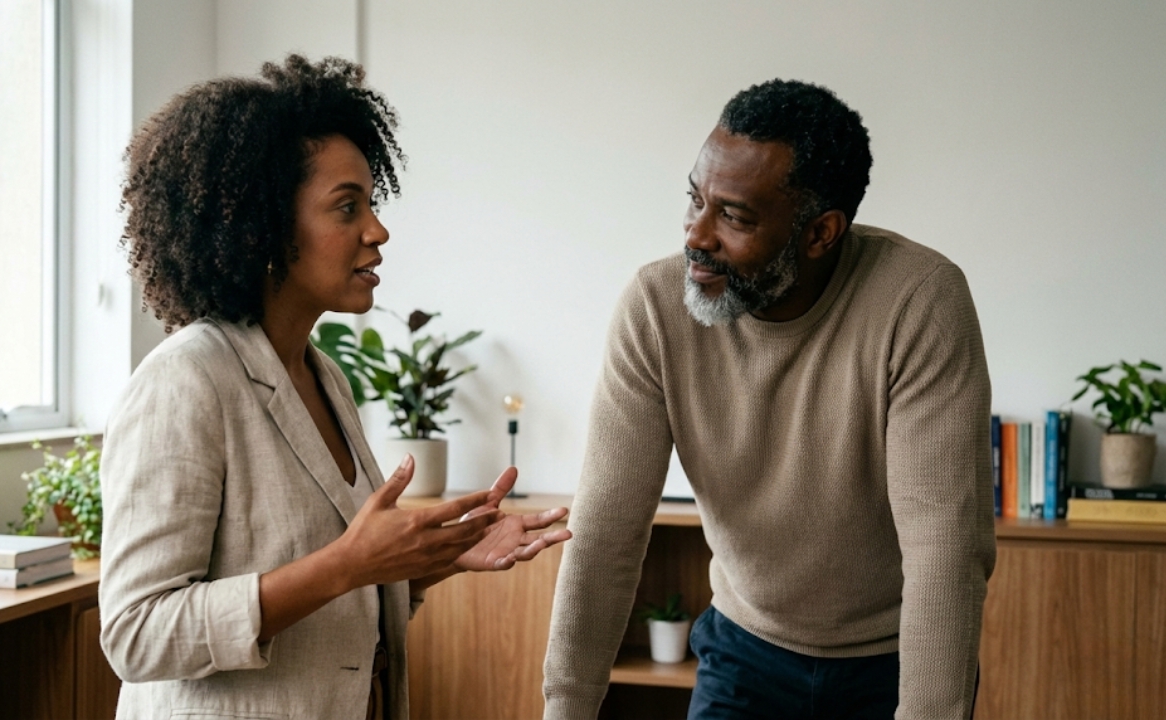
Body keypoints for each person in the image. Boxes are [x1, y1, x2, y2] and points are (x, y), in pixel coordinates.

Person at [99, 55, 571, 720]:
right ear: (264, 227)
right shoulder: (186, 381)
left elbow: (346, 588)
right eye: (346, 208)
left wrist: (434, 555)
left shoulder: (325, 377)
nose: (377, 232)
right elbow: (137, 634)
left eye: (371, 206)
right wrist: (348, 564)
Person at [543, 79, 994, 720]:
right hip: (745, 652)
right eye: (695, 200)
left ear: (820, 233)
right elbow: (604, 535)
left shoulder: (919, 301)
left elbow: (944, 551)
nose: (696, 236)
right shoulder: (654, 307)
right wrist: (565, 709)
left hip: (895, 661)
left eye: (734, 216)